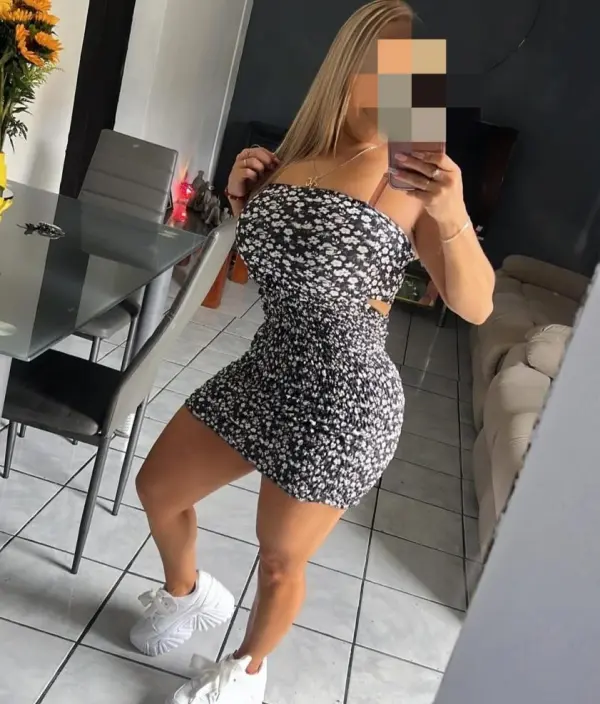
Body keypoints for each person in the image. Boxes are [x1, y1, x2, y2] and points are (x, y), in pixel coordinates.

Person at [131, 1, 495, 702]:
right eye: (388, 63)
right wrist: (244, 203)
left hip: (345, 399)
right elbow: (270, 268)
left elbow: (477, 305)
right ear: (351, 65)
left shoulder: (414, 177)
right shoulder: (297, 158)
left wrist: (451, 211)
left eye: (414, 70)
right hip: (268, 369)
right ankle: (187, 595)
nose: (405, 82)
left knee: (278, 560)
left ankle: (247, 672)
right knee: (159, 489)